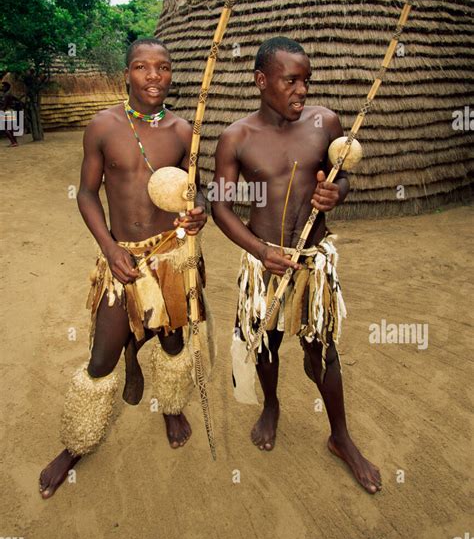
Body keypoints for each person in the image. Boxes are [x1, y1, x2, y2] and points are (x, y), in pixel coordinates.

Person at [39, 38, 213, 499]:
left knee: (174, 342)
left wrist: (200, 214)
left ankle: (171, 406)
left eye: (162, 67)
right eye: (142, 67)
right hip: (122, 258)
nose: (153, 76)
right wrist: (109, 247)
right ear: (127, 75)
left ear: (171, 74)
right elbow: (85, 192)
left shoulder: (183, 131)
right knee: (101, 357)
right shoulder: (103, 126)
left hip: (172, 256)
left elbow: (202, 193)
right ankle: (76, 443)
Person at [211, 36, 382, 494]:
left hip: (312, 263)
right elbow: (221, 208)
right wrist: (260, 250)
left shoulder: (326, 122)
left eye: (306, 80)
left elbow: (340, 176)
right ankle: (271, 405)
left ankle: (340, 436)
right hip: (265, 261)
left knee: (322, 349)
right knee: (266, 343)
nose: (301, 90)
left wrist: (336, 193)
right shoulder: (237, 137)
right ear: (261, 81)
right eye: (291, 80)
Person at [1, 81, 23, 147]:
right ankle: (15, 142)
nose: (2, 87)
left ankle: (13, 142)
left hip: (7, 112)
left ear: (7, 87)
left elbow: (5, 105)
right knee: (11, 128)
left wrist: (1, 111)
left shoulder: (6, 95)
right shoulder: (9, 94)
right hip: (11, 111)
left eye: (4, 86)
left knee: (4, 128)